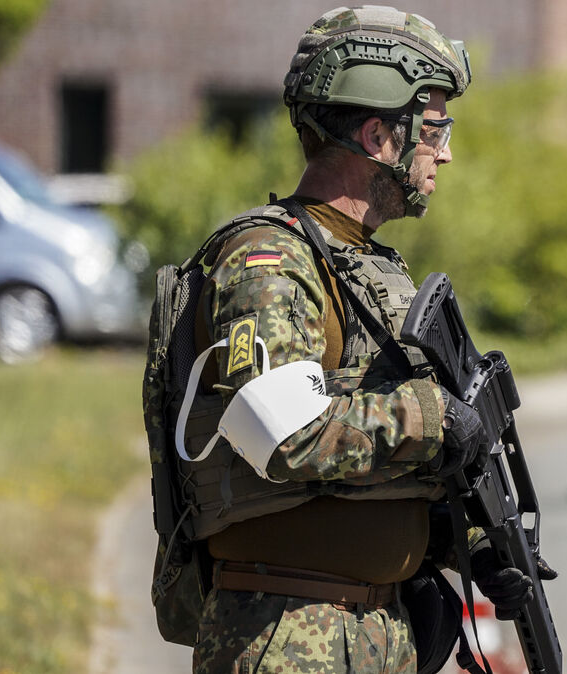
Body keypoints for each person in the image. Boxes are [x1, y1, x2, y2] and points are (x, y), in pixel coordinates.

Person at [179, 7, 537, 672]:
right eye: (434, 128)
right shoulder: (270, 259)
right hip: (290, 635)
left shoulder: (366, 266)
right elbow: (284, 436)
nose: (447, 152)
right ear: (378, 134)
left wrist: (470, 547)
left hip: (371, 628)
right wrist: (433, 419)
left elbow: (369, 462)